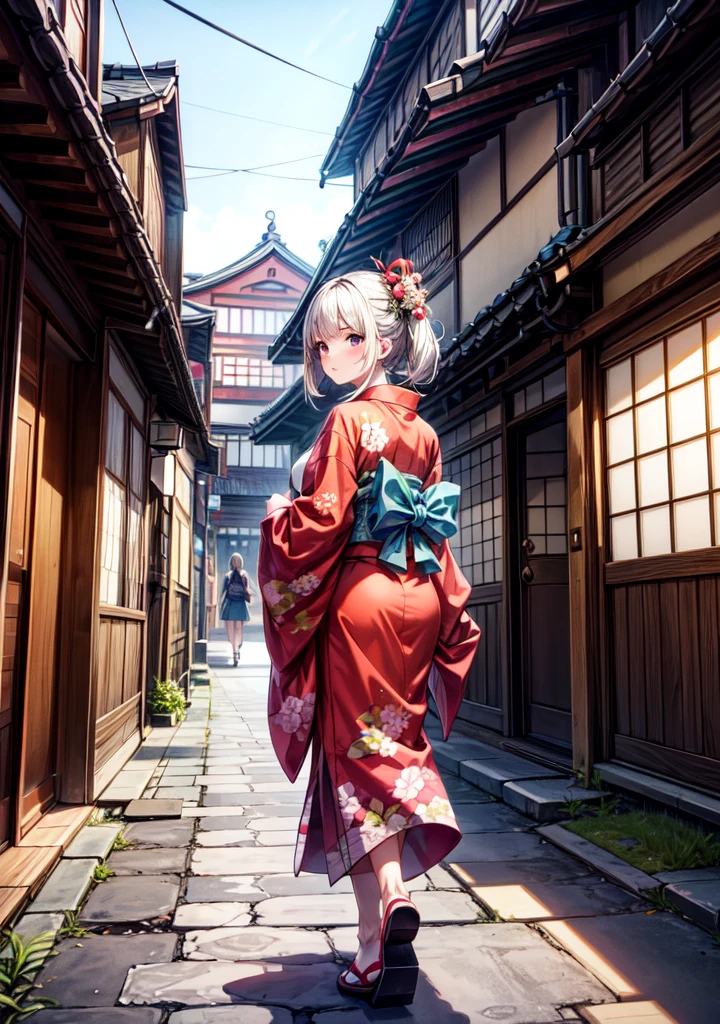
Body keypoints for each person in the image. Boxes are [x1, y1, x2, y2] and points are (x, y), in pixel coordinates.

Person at [258, 258, 480, 1009]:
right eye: (320, 346)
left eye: (342, 340)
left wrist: (278, 522)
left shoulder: (348, 421)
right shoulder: (423, 429)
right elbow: (433, 527)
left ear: (379, 343)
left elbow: (323, 520)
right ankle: (368, 951)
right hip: (416, 595)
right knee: (392, 745)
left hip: (361, 597)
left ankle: (387, 902)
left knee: (354, 763)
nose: (329, 356)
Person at [220, 552, 251, 665]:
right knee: (230, 630)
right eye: (233, 561)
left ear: (240, 562)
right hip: (230, 603)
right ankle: (235, 648)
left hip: (239, 603)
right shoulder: (228, 575)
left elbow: (246, 589)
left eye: (237, 560)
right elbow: (224, 590)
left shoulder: (244, 574)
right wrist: (221, 603)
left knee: (238, 628)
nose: (235, 563)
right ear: (231, 563)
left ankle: (236, 652)